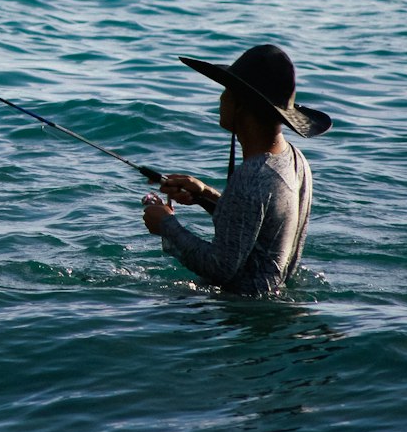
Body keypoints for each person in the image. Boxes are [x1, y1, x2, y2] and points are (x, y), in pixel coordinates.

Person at [142, 44, 332, 298]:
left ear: (241, 105)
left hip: (239, 312)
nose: (220, 99)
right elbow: (259, 225)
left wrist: (166, 224)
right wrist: (205, 195)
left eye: (226, 91)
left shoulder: (252, 176)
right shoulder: (295, 160)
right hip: (272, 299)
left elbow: (220, 268)